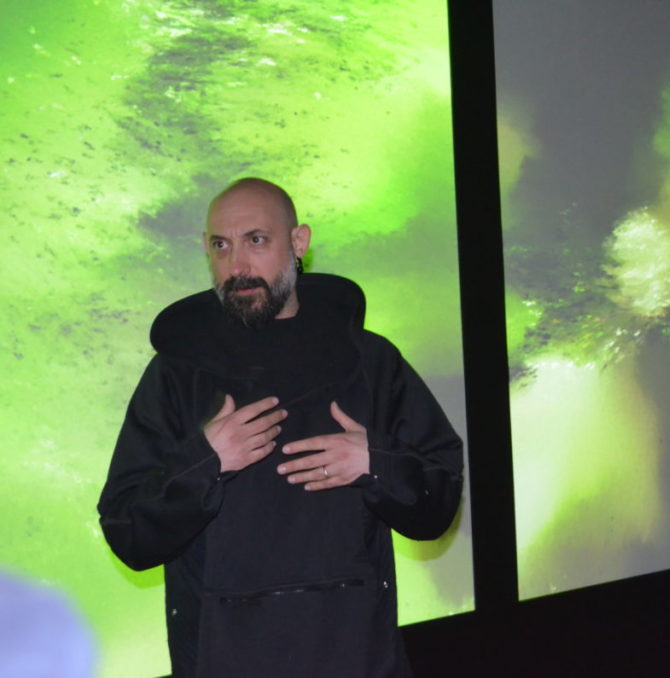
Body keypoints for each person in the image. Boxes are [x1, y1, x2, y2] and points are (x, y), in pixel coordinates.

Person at [98, 178, 464, 678]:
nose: (237, 266)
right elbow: (128, 534)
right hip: (225, 659)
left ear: (298, 242)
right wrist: (207, 462)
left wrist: (375, 462)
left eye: (256, 240)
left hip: (355, 657)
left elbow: (437, 506)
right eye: (220, 246)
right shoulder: (176, 374)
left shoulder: (370, 362)